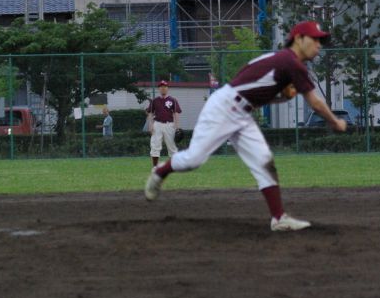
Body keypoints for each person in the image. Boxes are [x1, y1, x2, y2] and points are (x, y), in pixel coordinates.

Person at [144, 21, 347, 232]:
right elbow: (315, 103)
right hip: (224, 108)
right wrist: (335, 121)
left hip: (241, 112)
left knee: (263, 161)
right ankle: (160, 172)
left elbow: (255, 93)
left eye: (320, 40)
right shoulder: (291, 62)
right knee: (193, 160)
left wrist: (281, 97)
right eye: (314, 39)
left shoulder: (281, 60)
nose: (318, 45)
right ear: (298, 39)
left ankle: (279, 218)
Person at [145, 80, 181, 167]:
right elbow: (150, 113)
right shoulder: (154, 101)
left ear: (167, 88)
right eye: (161, 87)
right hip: (157, 124)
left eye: (165, 86)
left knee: (172, 146)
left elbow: (176, 113)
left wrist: (177, 127)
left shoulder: (173, 100)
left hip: (170, 124)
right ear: (159, 89)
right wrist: (150, 125)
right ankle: (155, 167)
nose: (163, 88)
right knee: (155, 146)